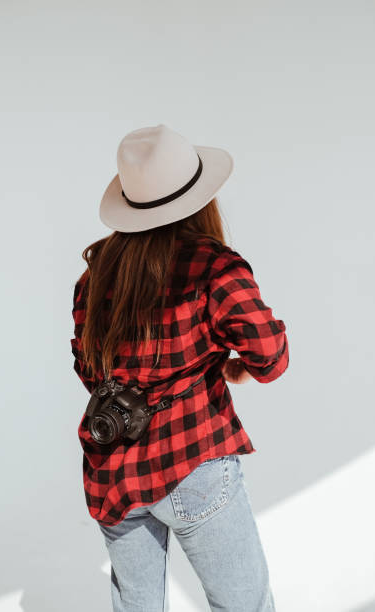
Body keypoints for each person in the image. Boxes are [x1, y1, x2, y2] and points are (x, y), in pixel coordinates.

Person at [70, 124, 289, 612]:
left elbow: (93, 374)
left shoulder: (96, 272)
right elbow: (271, 357)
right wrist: (233, 365)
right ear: (200, 198)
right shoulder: (215, 267)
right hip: (193, 461)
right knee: (244, 605)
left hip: (113, 470)